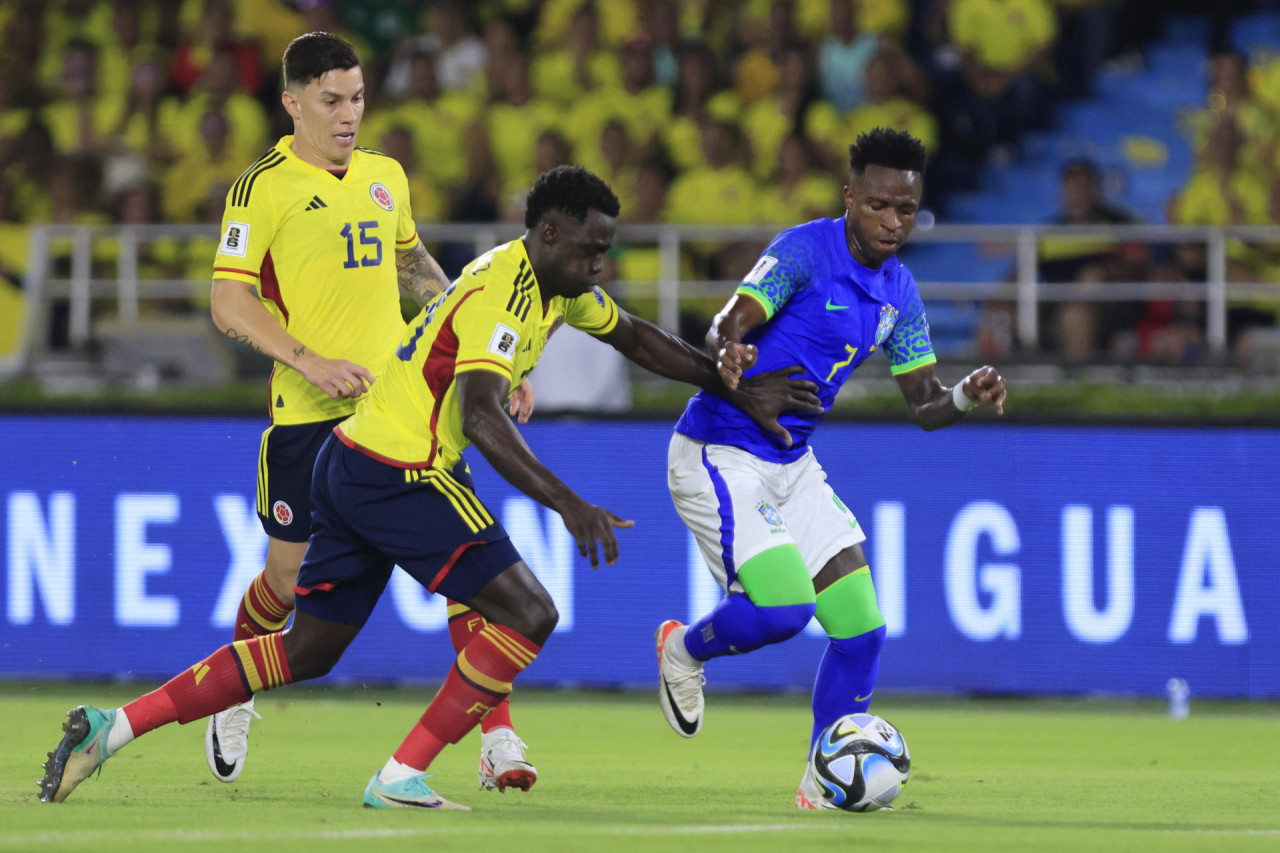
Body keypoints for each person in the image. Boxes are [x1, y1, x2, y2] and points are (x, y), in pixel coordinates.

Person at [38, 165, 822, 809]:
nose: (599, 266)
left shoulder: (553, 284)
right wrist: (567, 501)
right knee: (530, 610)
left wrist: (729, 386)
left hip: (350, 463)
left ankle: (114, 727)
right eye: (591, 250)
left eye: (605, 252)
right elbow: (482, 415)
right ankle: (405, 771)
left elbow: (636, 335)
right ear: (548, 234)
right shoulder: (504, 297)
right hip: (401, 472)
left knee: (306, 651)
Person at [203, 32, 537, 793]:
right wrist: (310, 361)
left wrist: (494, 352)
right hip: (306, 415)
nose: (349, 114)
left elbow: (420, 272)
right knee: (284, 584)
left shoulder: (387, 176)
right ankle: (236, 686)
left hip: (395, 415)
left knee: (468, 567)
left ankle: (498, 735)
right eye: (331, 101)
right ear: (293, 104)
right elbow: (228, 299)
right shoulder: (261, 187)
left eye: (356, 98)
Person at [652, 128, 1007, 808]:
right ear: (850, 196)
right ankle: (684, 649)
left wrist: (966, 393)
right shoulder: (805, 251)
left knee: (861, 630)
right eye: (878, 205)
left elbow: (926, 405)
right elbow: (734, 314)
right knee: (786, 607)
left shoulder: (899, 293)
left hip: (790, 461)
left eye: (906, 209)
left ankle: (820, 779)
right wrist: (729, 349)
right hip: (719, 450)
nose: (892, 222)